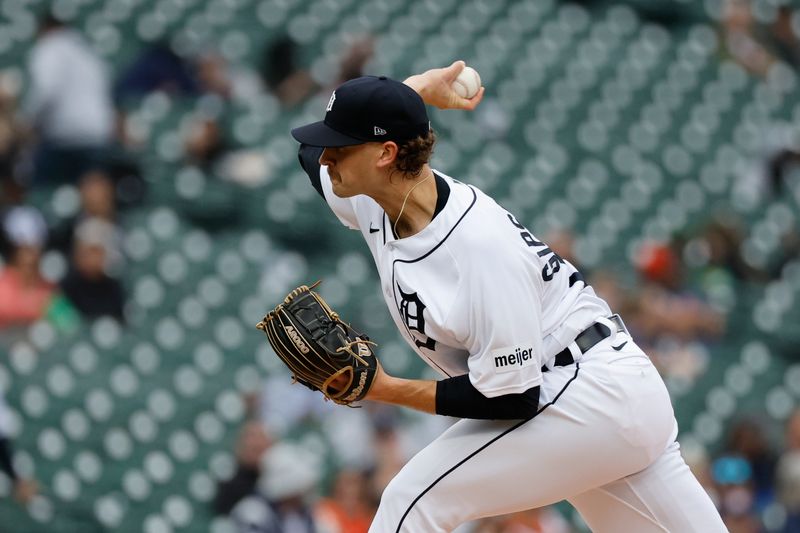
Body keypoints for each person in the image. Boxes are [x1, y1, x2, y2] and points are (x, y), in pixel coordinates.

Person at [289, 60, 727, 532]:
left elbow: (511, 398)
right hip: (599, 400)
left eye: (341, 146)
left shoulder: (478, 245)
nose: (328, 157)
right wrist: (411, 94)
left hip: (584, 392)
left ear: (385, 154)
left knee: (411, 502)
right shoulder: (373, 198)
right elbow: (308, 154)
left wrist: (385, 389)